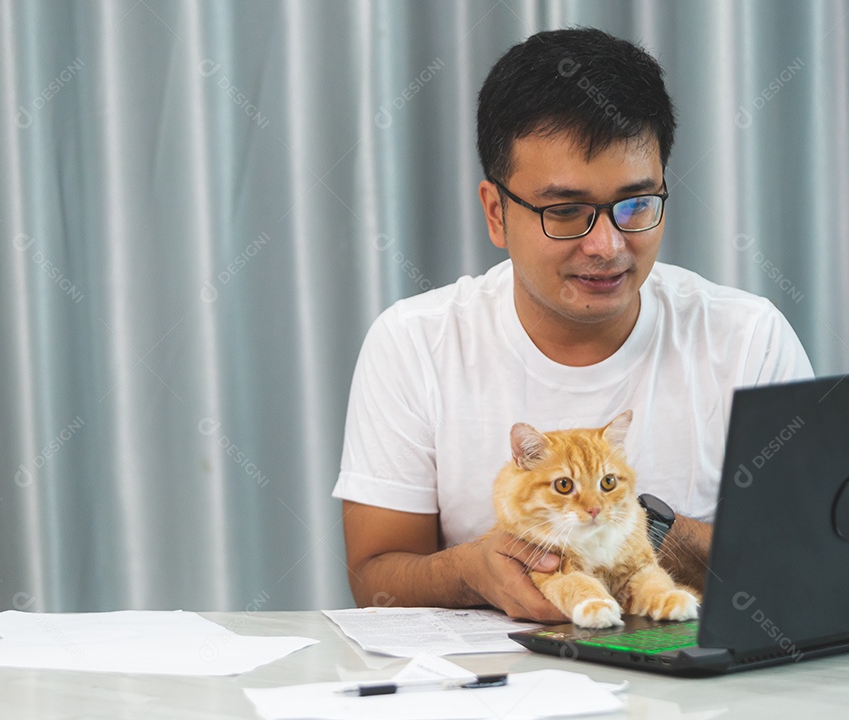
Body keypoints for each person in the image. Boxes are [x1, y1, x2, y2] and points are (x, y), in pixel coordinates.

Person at [332, 27, 813, 622]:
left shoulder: (748, 339)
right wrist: (471, 571)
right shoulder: (413, 342)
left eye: (636, 205)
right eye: (566, 211)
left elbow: (808, 562)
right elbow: (375, 576)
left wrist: (647, 530)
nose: (607, 246)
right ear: (495, 213)